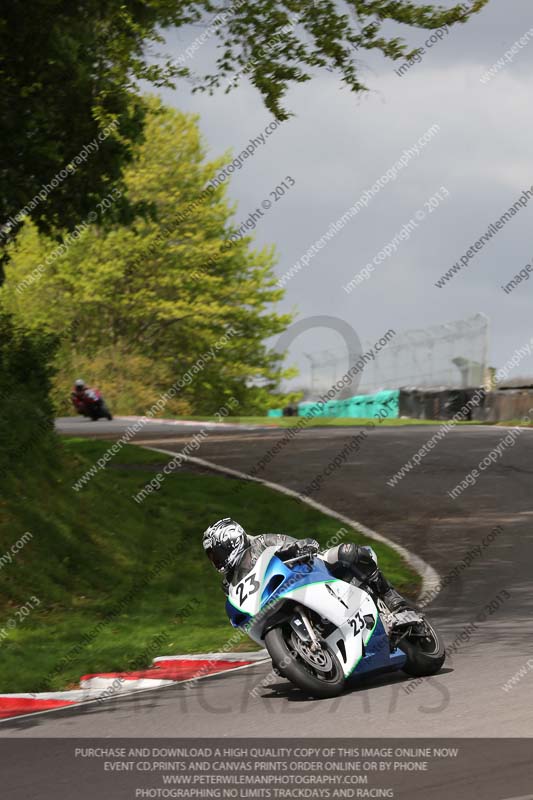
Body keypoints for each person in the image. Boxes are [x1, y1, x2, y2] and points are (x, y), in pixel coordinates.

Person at [202, 518, 410, 612]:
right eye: (212, 557)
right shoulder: (230, 584)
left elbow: (291, 542)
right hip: (280, 602)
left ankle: (389, 596)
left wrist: (301, 547)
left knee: (347, 552)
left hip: (309, 570)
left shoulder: (261, 542)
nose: (216, 560)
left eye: (217, 553)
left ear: (232, 541)